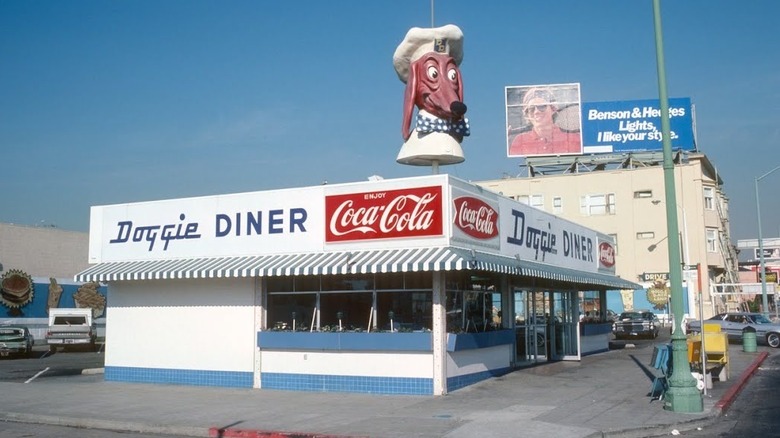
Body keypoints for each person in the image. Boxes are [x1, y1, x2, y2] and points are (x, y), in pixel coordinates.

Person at [508, 87, 581, 156]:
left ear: (553, 109)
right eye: (531, 109)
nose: (536, 112)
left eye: (541, 106)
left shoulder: (573, 139)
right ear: (527, 114)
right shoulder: (520, 141)